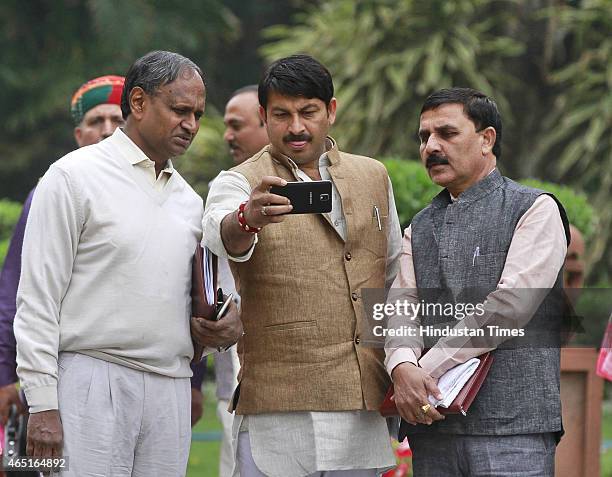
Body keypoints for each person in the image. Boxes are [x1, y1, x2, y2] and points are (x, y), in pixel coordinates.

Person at [14, 51, 242, 476]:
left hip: (169, 388)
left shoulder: (191, 203)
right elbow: (37, 299)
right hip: (89, 380)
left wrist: (226, 330)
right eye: (179, 110)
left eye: (196, 114)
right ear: (137, 103)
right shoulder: (72, 177)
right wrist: (43, 402)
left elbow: (211, 301)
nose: (191, 124)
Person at [203, 54, 402, 477]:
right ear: (264, 116)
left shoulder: (373, 176)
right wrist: (248, 217)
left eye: (308, 112)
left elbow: (394, 275)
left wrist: (403, 364)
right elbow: (220, 235)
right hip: (278, 406)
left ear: (330, 110)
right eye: (282, 114)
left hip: (360, 399)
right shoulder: (239, 180)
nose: (296, 127)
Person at [385, 87, 570, 476]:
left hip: (512, 430)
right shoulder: (418, 227)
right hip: (434, 430)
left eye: (447, 134)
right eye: (424, 137)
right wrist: (402, 366)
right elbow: (400, 310)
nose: (431, 146)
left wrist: (423, 373)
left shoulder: (535, 208)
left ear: (486, 139)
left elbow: (508, 308)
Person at [213, 84, 270, 477]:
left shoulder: (332, 186)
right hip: (235, 376)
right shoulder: (223, 190)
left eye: (236, 125)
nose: (227, 136)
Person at [223, 85, 269, 165]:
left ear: (266, 121)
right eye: (227, 127)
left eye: (236, 126)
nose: (227, 136)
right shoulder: (229, 177)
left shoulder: (294, 174)